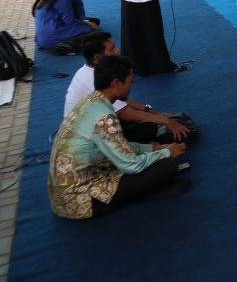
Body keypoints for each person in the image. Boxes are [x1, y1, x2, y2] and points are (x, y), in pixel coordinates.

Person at [48, 56, 188, 219]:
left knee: (150, 152)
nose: (131, 85)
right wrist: (166, 153)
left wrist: (153, 148)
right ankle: (141, 194)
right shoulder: (104, 118)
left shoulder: (90, 101)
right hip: (81, 200)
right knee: (166, 167)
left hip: (63, 195)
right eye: (129, 81)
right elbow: (131, 166)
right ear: (115, 84)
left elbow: (119, 146)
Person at [64, 32, 191, 144]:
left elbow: (122, 103)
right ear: (97, 58)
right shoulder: (92, 79)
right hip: (86, 136)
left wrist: (153, 113)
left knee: (145, 121)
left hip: (89, 124)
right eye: (112, 49)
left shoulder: (92, 70)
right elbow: (126, 114)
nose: (117, 51)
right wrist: (165, 121)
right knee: (148, 128)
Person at [34, 0, 98, 53]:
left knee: (95, 23)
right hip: (53, 36)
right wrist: (87, 24)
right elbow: (70, 21)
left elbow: (77, 5)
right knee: (95, 35)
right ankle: (62, 47)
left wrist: (83, 21)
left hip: (43, 38)